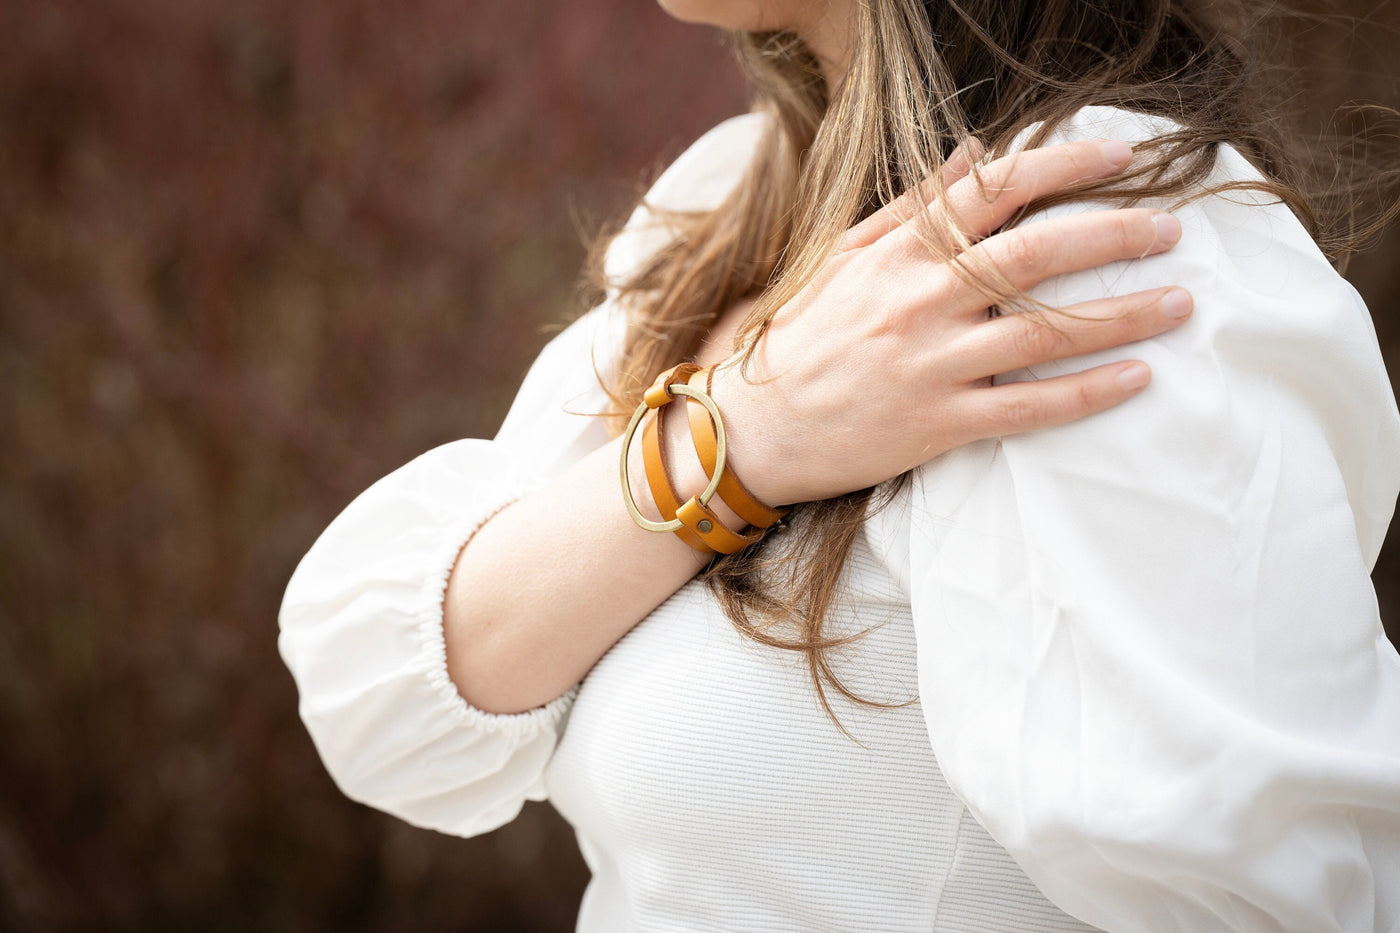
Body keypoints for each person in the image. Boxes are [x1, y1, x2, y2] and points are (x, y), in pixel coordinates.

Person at [279, 0, 1400, 929]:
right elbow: (389, 705)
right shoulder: (734, 209)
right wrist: (743, 433)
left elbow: (1281, 897)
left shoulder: (1088, 254)